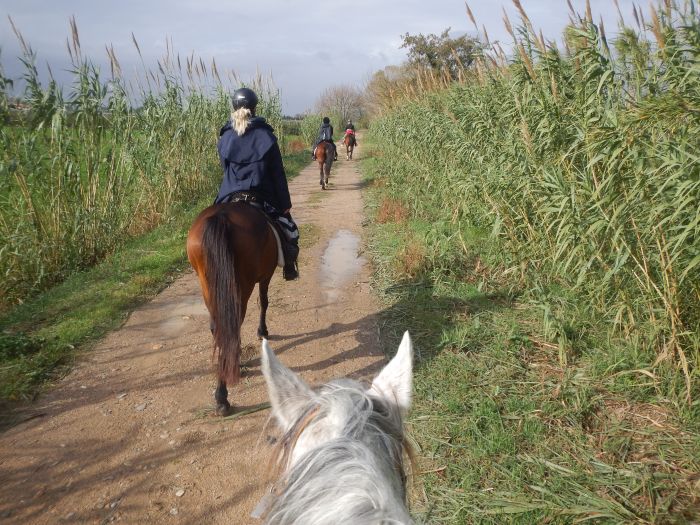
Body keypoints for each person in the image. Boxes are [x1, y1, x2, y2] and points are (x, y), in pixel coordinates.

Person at [214, 87, 299, 280]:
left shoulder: (225, 137)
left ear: (234, 106)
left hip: (229, 194)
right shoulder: (266, 136)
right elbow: (277, 173)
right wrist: (285, 205)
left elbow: (225, 170)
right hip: (261, 195)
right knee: (289, 231)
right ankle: (289, 268)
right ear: (254, 107)